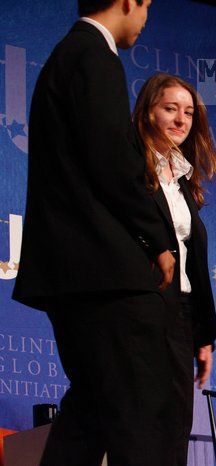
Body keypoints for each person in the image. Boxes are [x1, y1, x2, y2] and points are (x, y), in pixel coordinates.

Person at [11, 1, 186, 465]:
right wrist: (159, 240)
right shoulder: (93, 56)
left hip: (76, 274)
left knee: (90, 413)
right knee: (139, 414)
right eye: (146, 3)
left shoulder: (68, 55)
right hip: (104, 273)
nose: (146, 14)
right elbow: (113, 163)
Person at [132, 73, 216, 466]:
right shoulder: (130, 168)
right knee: (141, 422)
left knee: (175, 426)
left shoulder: (184, 179)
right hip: (141, 310)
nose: (181, 120)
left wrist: (204, 337)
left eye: (188, 113)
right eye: (171, 109)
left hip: (181, 316)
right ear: (148, 112)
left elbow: (194, 265)